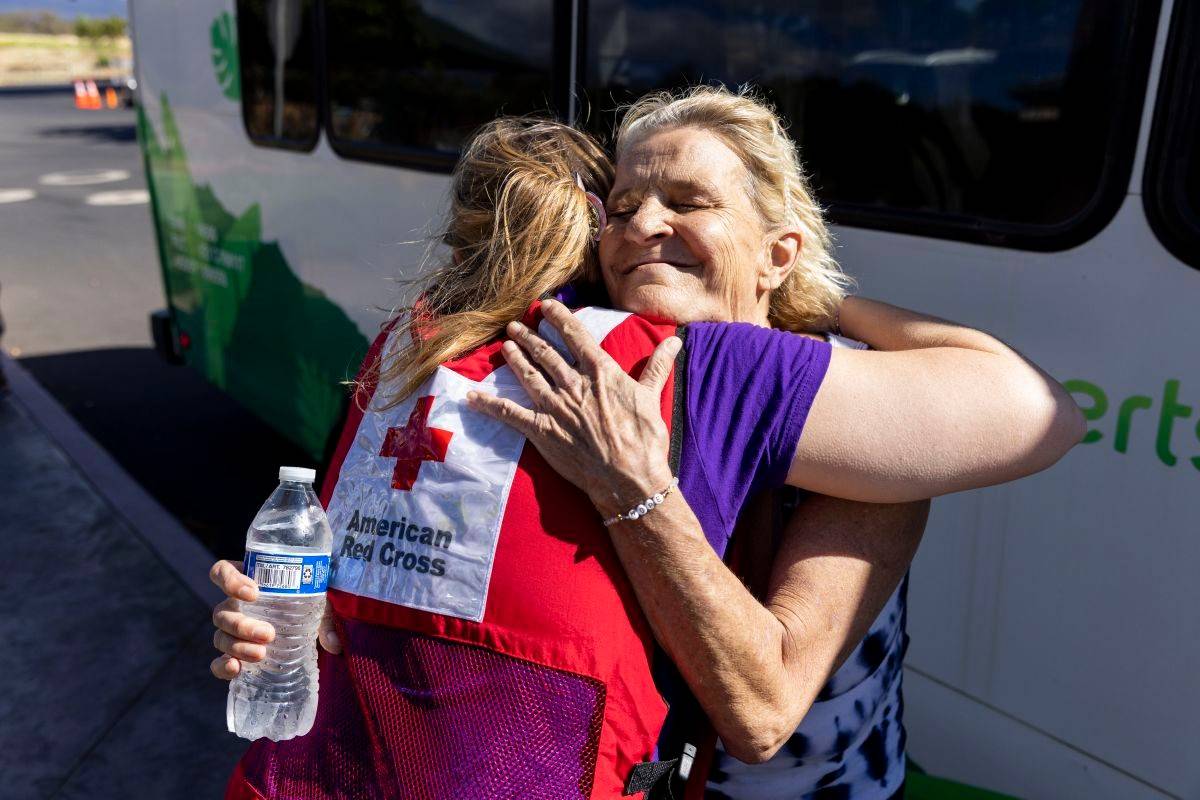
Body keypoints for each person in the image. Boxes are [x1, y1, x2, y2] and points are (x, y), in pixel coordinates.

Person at [210, 99, 1081, 799]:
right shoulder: (598, 375)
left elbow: (1039, 409)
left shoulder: (856, 414)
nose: (639, 226)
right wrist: (326, 610)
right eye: (619, 208)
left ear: (778, 250)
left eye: (688, 203)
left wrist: (816, 312)